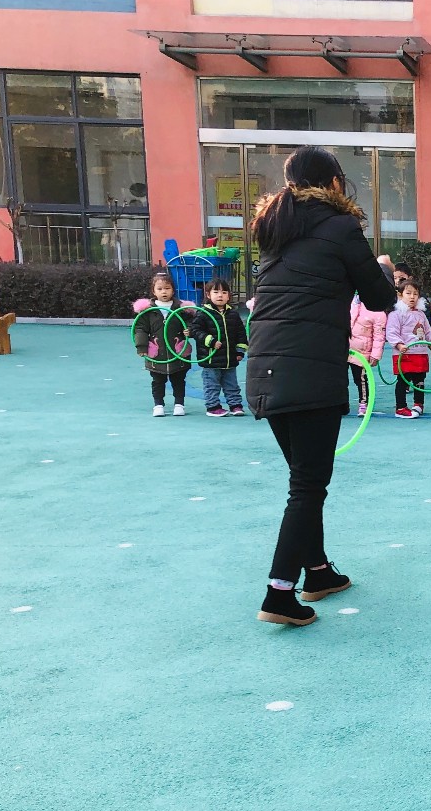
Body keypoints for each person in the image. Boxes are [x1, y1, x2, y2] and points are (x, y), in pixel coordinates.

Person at [245, 145, 397, 627]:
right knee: (308, 487)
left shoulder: (276, 229)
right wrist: (384, 271)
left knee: (303, 480)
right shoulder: (340, 226)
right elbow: (379, 296)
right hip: (310, 369)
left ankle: (317, 572)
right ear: (333, 182)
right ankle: (278, 594)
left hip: (265, 370)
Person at [132, 271, 194, 417]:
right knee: (157, 381)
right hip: (157, 353)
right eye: (159, 289)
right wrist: (141, 347)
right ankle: (158, 405)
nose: (164, 292)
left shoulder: (182, 308)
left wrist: (189, 330)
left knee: (179, 380)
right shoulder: (147, 311)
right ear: (153, 291)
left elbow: (192, 323)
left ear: (173, 290)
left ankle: (179, 404)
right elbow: (140, 329)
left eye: (167, 288)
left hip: (178, 352)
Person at [190, 278, 250, 417]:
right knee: (212, 384)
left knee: (232, 384)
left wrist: (240, 351)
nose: (220, 295)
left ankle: (235, 405)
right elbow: (195, 331)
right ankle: (213, 406)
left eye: (224, 292)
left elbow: (241, 333)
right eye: (216, 292)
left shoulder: (233, 314)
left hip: (229, 358)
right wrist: (210, 341)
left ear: (228, 296)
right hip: (211, 359)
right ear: (208, 295)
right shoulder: (203, 313)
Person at [387, 280, 431, 419]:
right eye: (408, 293)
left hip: (420, 353)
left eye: (415, 294)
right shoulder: (396, 315)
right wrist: (399, 345)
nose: (412, 297)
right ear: (400, 295)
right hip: (404, 354)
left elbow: (427, 331)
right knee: (403, 380)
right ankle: (400, 407)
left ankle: (419, 404)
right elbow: (391, 332)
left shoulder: (421, 314)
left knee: (420, 380)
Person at [347, 286, 388, 418]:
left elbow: (379, 336)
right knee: (340, 378)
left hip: (362, 352)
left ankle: (363, 403)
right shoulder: (352, 303)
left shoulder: (378, 312)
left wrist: (375, 355)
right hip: (345, 348)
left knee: (360, 379)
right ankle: (341, 403)